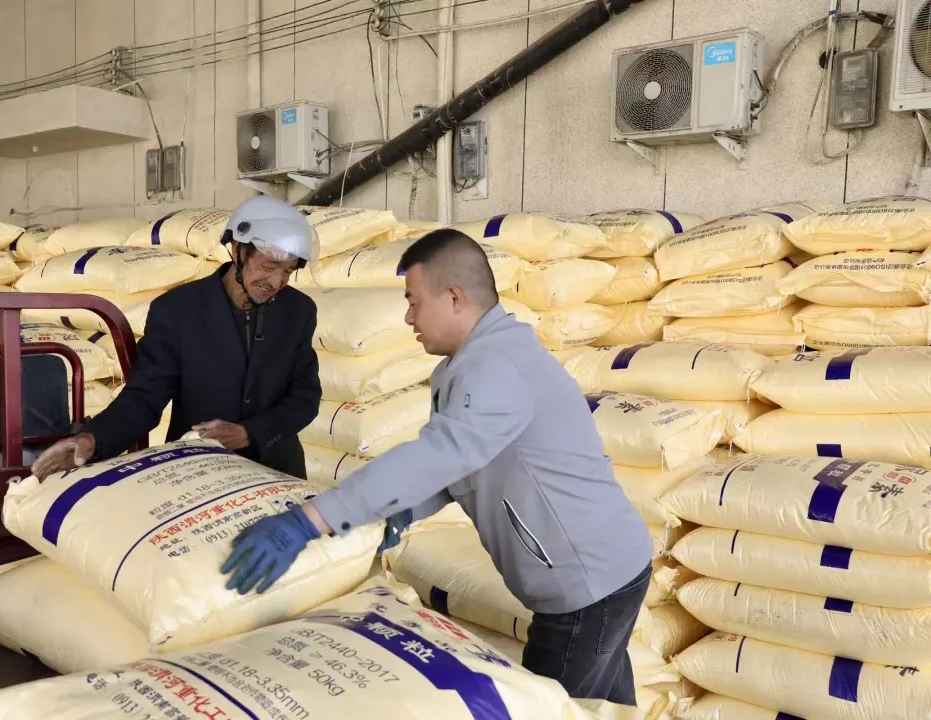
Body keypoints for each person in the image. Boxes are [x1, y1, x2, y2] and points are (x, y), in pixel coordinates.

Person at [219, 228, 653, 705]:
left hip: (586, 588)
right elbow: (461, 467)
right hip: (606, 570)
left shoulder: (495, 366)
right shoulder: (470, 365)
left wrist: (311, 520)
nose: (409, 317)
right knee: (605, 709)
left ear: (453, 298)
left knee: (551, 709)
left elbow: (442, 453)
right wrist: (403, 510)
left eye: (413, 302)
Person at [30, 195, 322, 480]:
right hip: (198, 474)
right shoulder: (177, 311)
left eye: (287, 272)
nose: (276, 282)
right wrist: (94, 439)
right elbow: (145, 398)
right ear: (238, 250)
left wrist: (249, 433)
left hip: (277, 471)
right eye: (268, 266)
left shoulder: (298, 311)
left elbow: (304, 398)